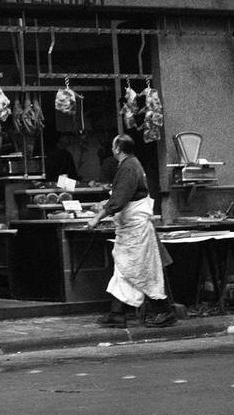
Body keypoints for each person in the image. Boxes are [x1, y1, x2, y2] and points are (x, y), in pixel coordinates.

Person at [88, 134, 176, 328]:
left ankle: (165, 311)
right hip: (130, 230)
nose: (111, 149)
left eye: (113, 145)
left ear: (118, 148)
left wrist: (97, 217)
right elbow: (122, 196)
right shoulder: (130, 164)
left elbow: (119, 200)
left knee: (141, 269)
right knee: (124, 267)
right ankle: (116, 313)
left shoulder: (128, 167)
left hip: (135, 230)